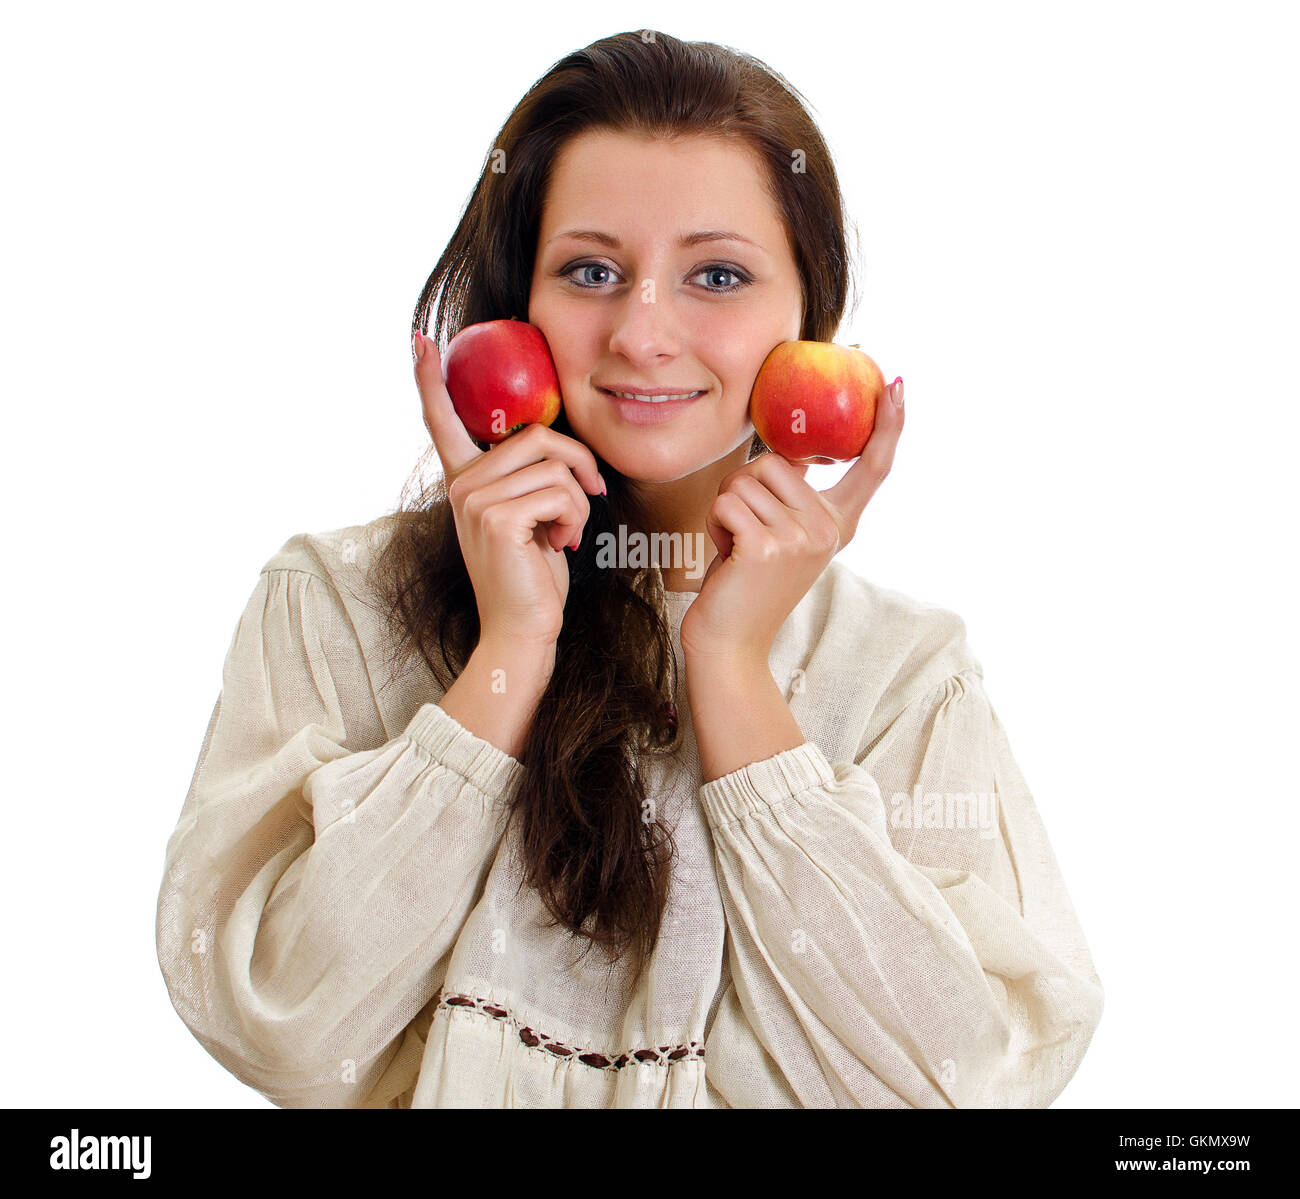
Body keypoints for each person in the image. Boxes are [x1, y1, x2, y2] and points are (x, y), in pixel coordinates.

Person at [155, 29, 1103, 1108]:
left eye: (717, 274)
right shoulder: (335, 603)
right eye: (592, 270)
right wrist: (509, 654)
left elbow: (956, 1083)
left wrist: (733, 669)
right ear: (518, 304)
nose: (644, 333)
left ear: (810, 323)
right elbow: (284, 1024)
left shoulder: (901, 674)